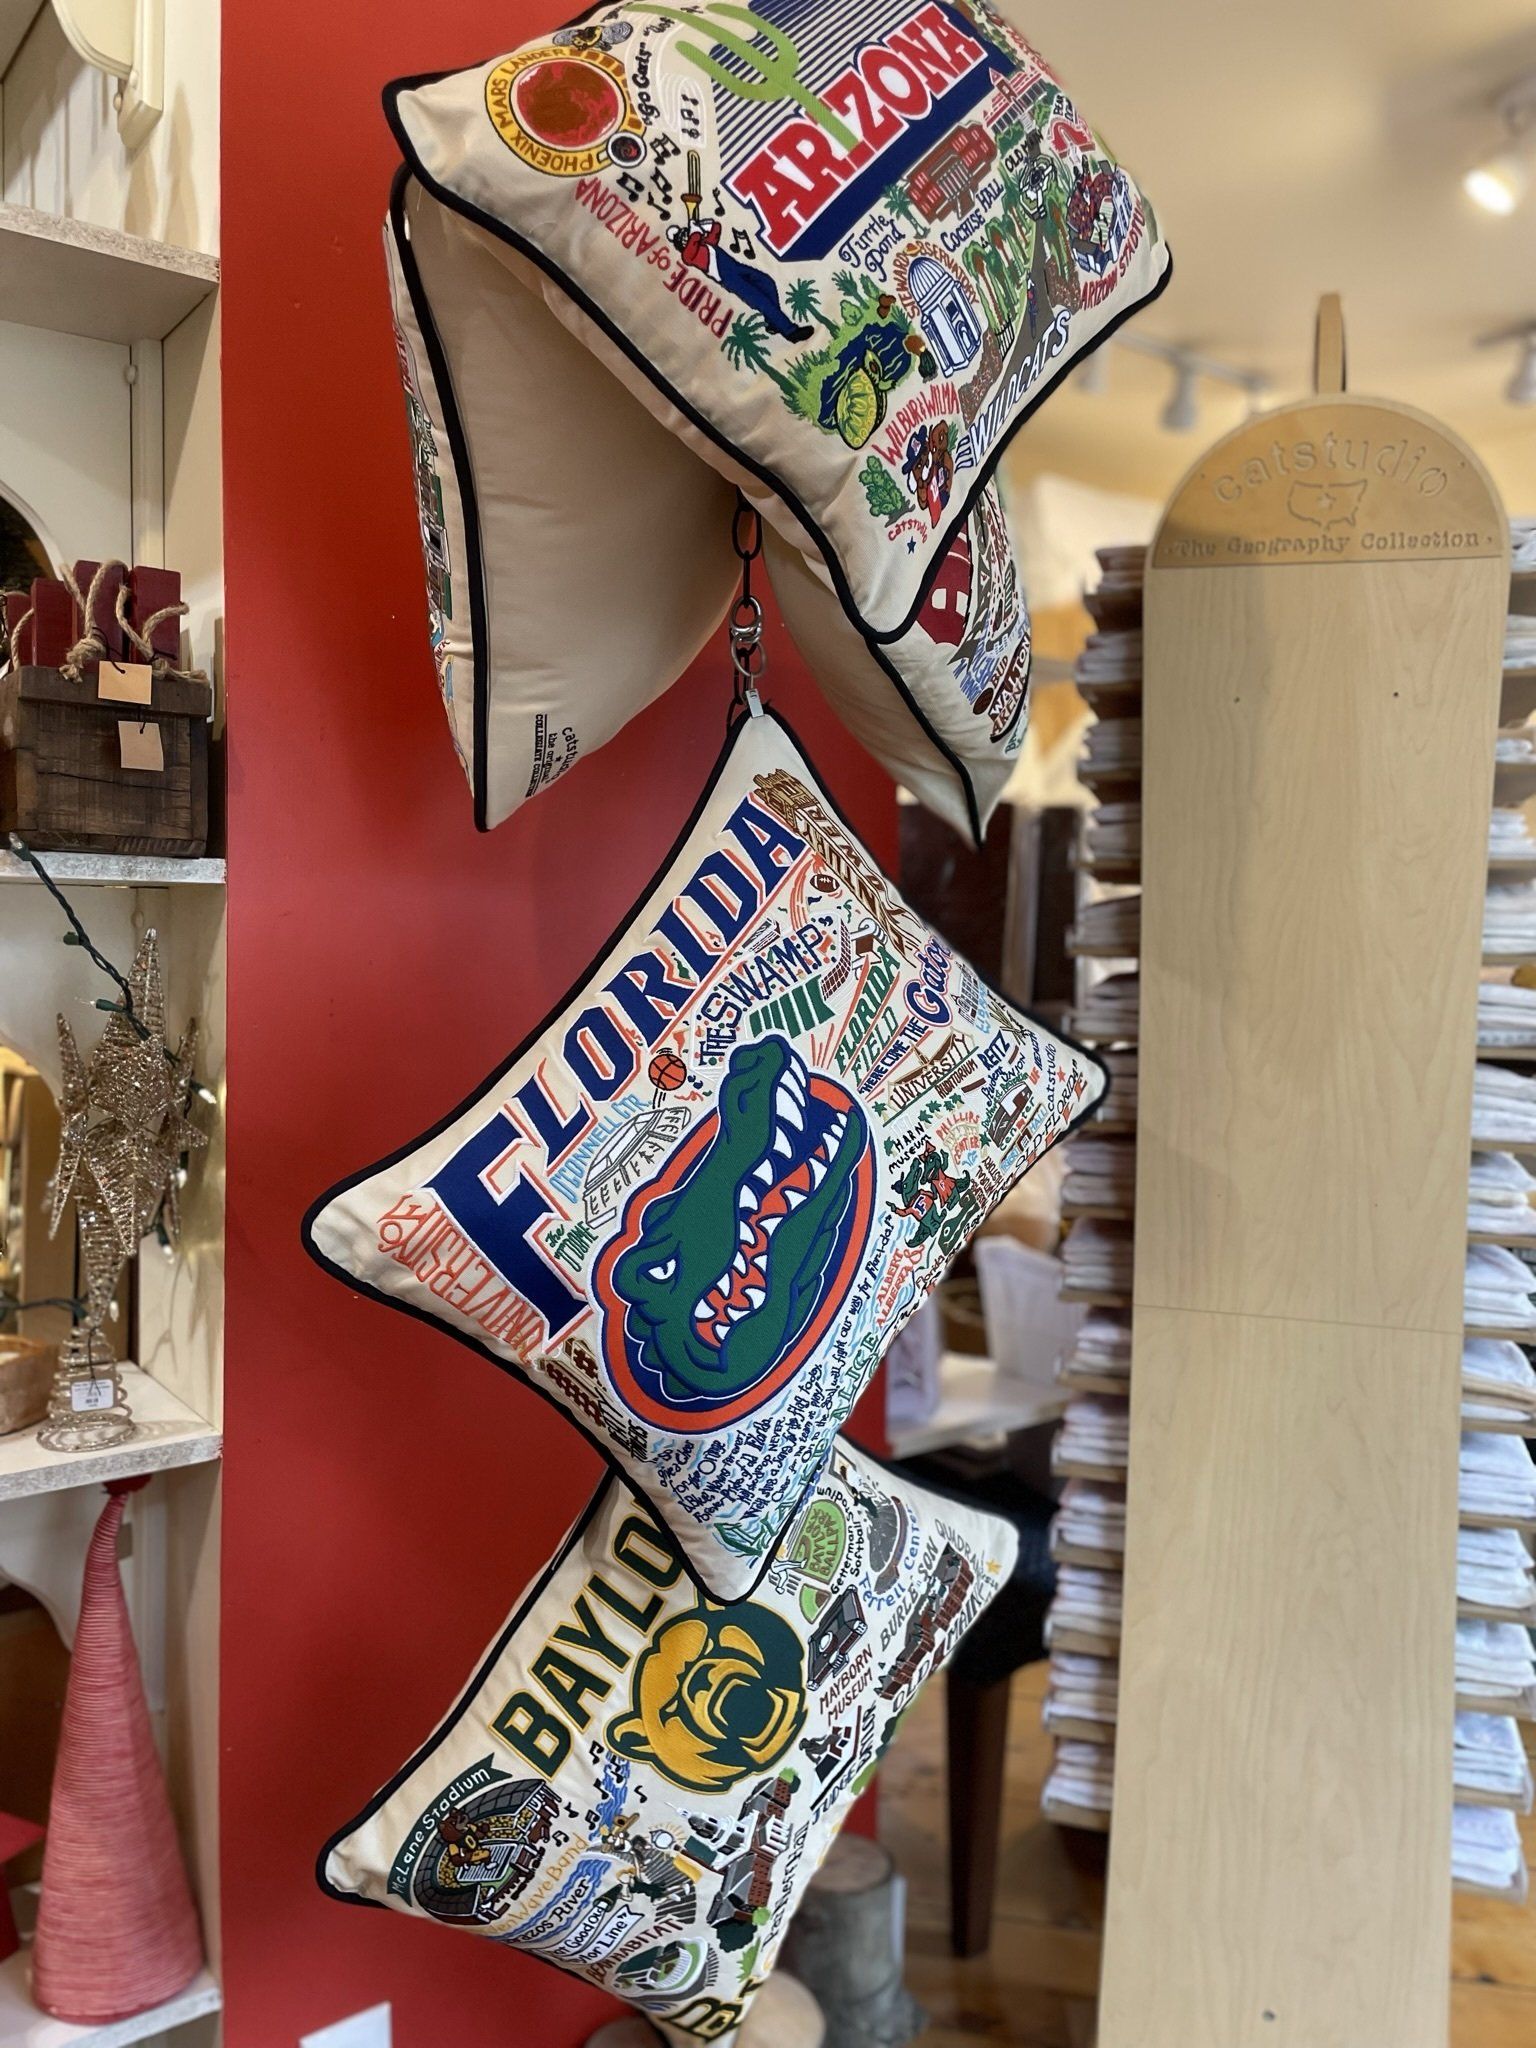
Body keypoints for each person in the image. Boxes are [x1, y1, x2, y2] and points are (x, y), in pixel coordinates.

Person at [667, 212, 814, 341]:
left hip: (736, 268)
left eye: (684, 233)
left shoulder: (703, 243)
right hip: (728, 279)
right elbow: (693, 244)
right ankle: (790, 331)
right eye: (681, 237)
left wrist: (704, 225)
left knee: (767, 282)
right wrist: (695, 231)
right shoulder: (688, 256)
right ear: (679, 243)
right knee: (761, 301)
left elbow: (716, 230)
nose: (685, 236)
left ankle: (772, 324)